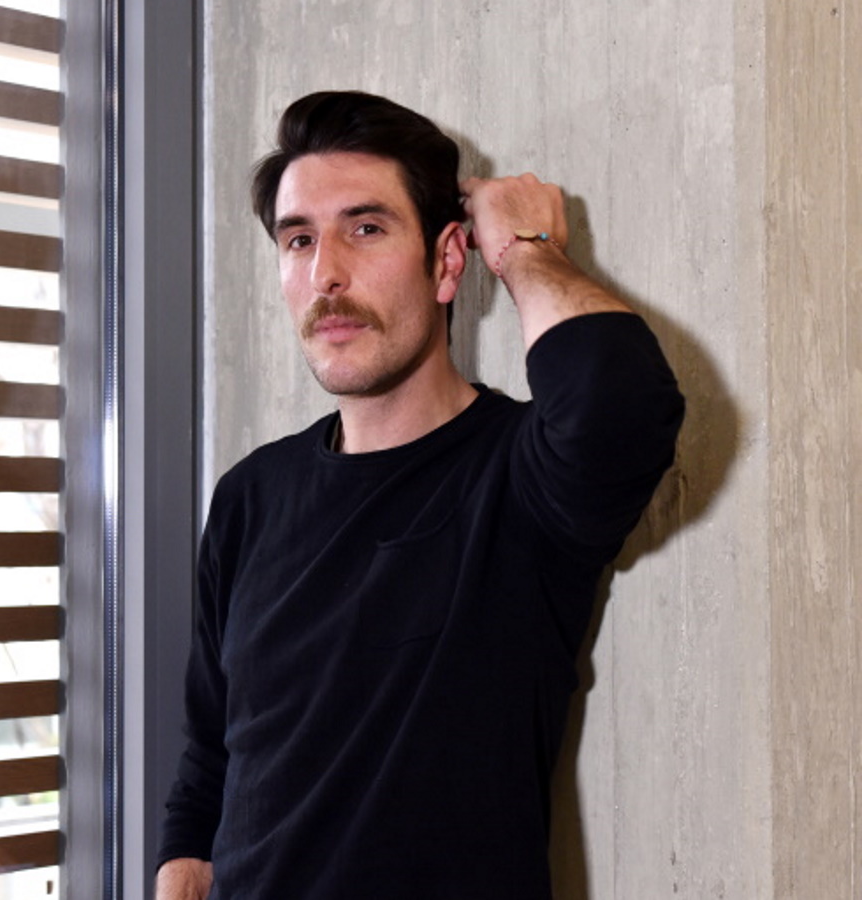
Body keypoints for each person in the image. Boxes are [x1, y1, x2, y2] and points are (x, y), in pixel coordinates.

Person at [156, 91, 685, 900]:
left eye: (366, 229)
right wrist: (178, 874)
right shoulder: (250, 496)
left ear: (447, 262)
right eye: (300, 240)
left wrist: (524, 248)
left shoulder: (523, 476)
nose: (326, 272)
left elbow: (622, 402)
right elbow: (210, 759)